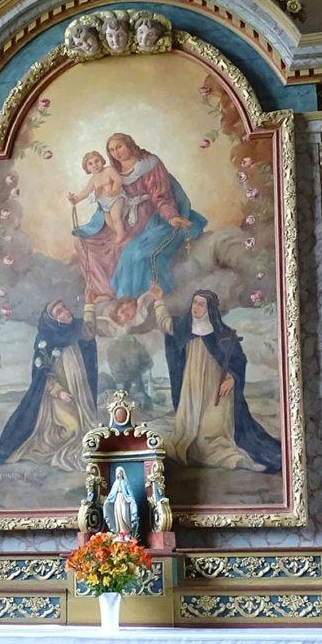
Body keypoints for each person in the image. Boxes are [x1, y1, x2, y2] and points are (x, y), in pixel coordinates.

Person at [151, 286, 282, 473]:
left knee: (214, 435)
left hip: (216, 390)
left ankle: (231, 457)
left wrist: (233, 379)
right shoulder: (183, 326)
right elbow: (164, 322)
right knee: (187, 435)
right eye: (194, 302)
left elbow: (238, 360)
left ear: (209, 309)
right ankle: (198, 448)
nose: (196, 307)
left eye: (201, 304)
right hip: (192, 388)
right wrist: (158, 300)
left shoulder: (224, 335)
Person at [73, 133, 207, 300]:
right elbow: (107, 201)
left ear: (129, 144)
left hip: (150, 216)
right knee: (82, 240)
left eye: (119, 147)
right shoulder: (113, 170)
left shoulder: (149, 164)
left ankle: (132, 300)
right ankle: (106, 292)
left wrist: (171, 216)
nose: (116, 153)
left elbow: (162, 196)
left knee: (132, 252)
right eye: (111, 150)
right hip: (123, 217)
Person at [0, 300, 98, 472]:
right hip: (56, 399)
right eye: (59, 312)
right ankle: (39, 448)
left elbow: (90, 332)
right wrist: (59, 392)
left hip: (78, 391)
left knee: (86, 429)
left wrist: (90, 306)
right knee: (72, 429)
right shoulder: (45, 340)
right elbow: (43, 377)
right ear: (54, 320)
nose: (66, 312)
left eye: (65, 308)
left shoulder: (77, 328)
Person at [68, 151, 129, 245]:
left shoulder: (108, 170)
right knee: (109, 221)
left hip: (117, 197)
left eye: (97, 161)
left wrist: (114, 190)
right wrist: (75, 199)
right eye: (90, 164)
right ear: (87, 168)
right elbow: (85, 192)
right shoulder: (93, 180)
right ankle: (120, 232)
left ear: (102, 160)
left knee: (115, 216)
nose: (95, 165)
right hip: (106, 204)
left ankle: (121, 235)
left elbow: (118, 180)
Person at [102, 466, 139, 538]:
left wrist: (131, 499)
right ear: (116, 474)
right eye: (118, 473)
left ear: (123, 473)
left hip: (124, 499)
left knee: (124, 515)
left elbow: (129, 492)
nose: (119, 474)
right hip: (117, 500)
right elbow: (112, 494)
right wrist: (107, 501)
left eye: (121, 472)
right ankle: (121, 533)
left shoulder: (125, 483)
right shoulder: (115, 483)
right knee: (118, 515)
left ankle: (127, 531)